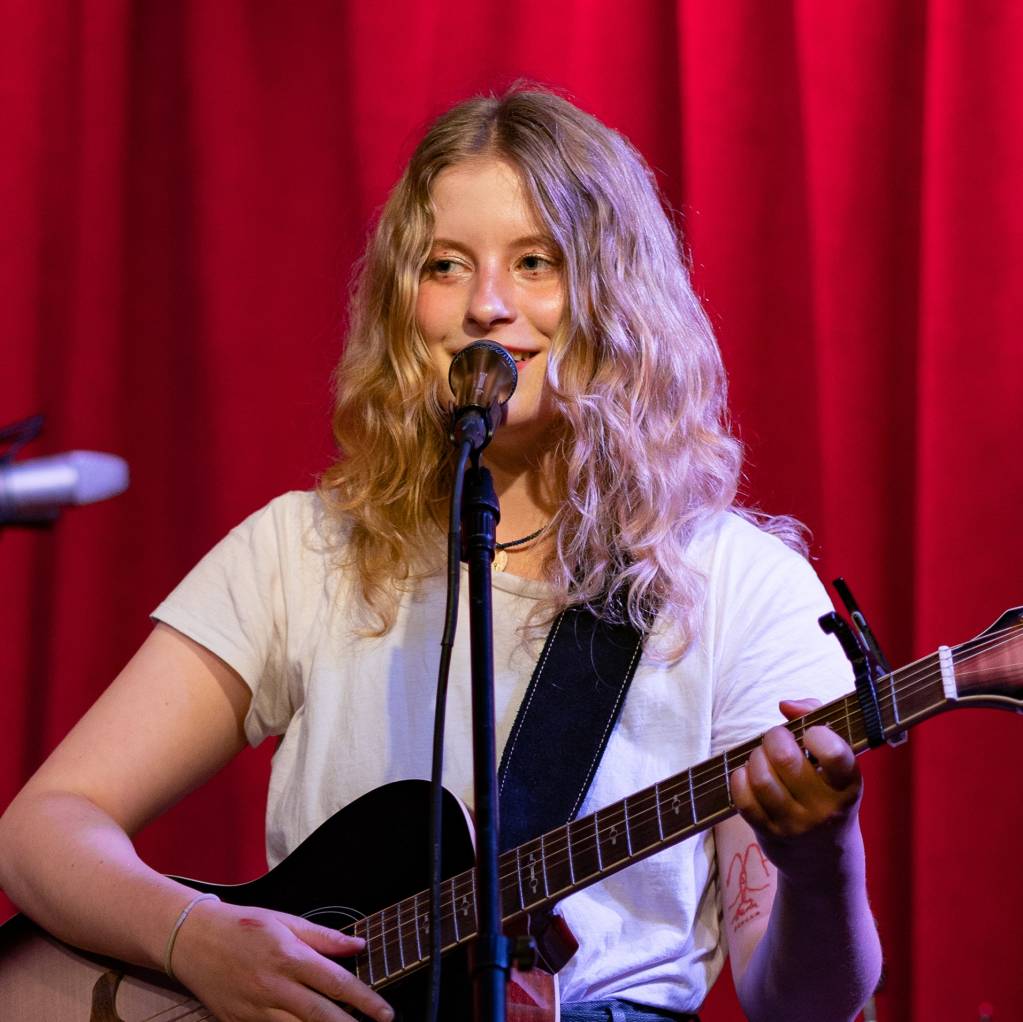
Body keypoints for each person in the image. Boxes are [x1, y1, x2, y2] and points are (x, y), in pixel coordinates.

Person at [0, 88, 881, 1022]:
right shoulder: (306, 548)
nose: (486, 306)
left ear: (617, 297)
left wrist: (820, 862)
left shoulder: (738, 590)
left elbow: (807, 1006)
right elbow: (43, 828)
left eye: (535, 263)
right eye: (445, 266)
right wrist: (194, 934)